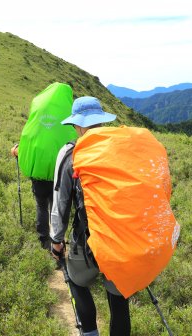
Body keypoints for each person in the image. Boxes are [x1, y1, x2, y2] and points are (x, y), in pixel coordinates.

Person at [50, 96, 130, 336]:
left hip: (87, 240)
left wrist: (56, 240)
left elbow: (61, 202)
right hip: (121, 237)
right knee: (118, 299)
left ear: (78, 126)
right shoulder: (122, 151)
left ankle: (90, 332)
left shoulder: (70, 154)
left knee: (77, 281)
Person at [10, 83, 77, 251]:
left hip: (39, 174)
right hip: (61, 174)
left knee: (41, 206)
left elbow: (28, 139)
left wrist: (18, 152)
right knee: (58, 206)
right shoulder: (70, 116)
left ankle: (43, 241)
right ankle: (58, 241)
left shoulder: (37, 115)